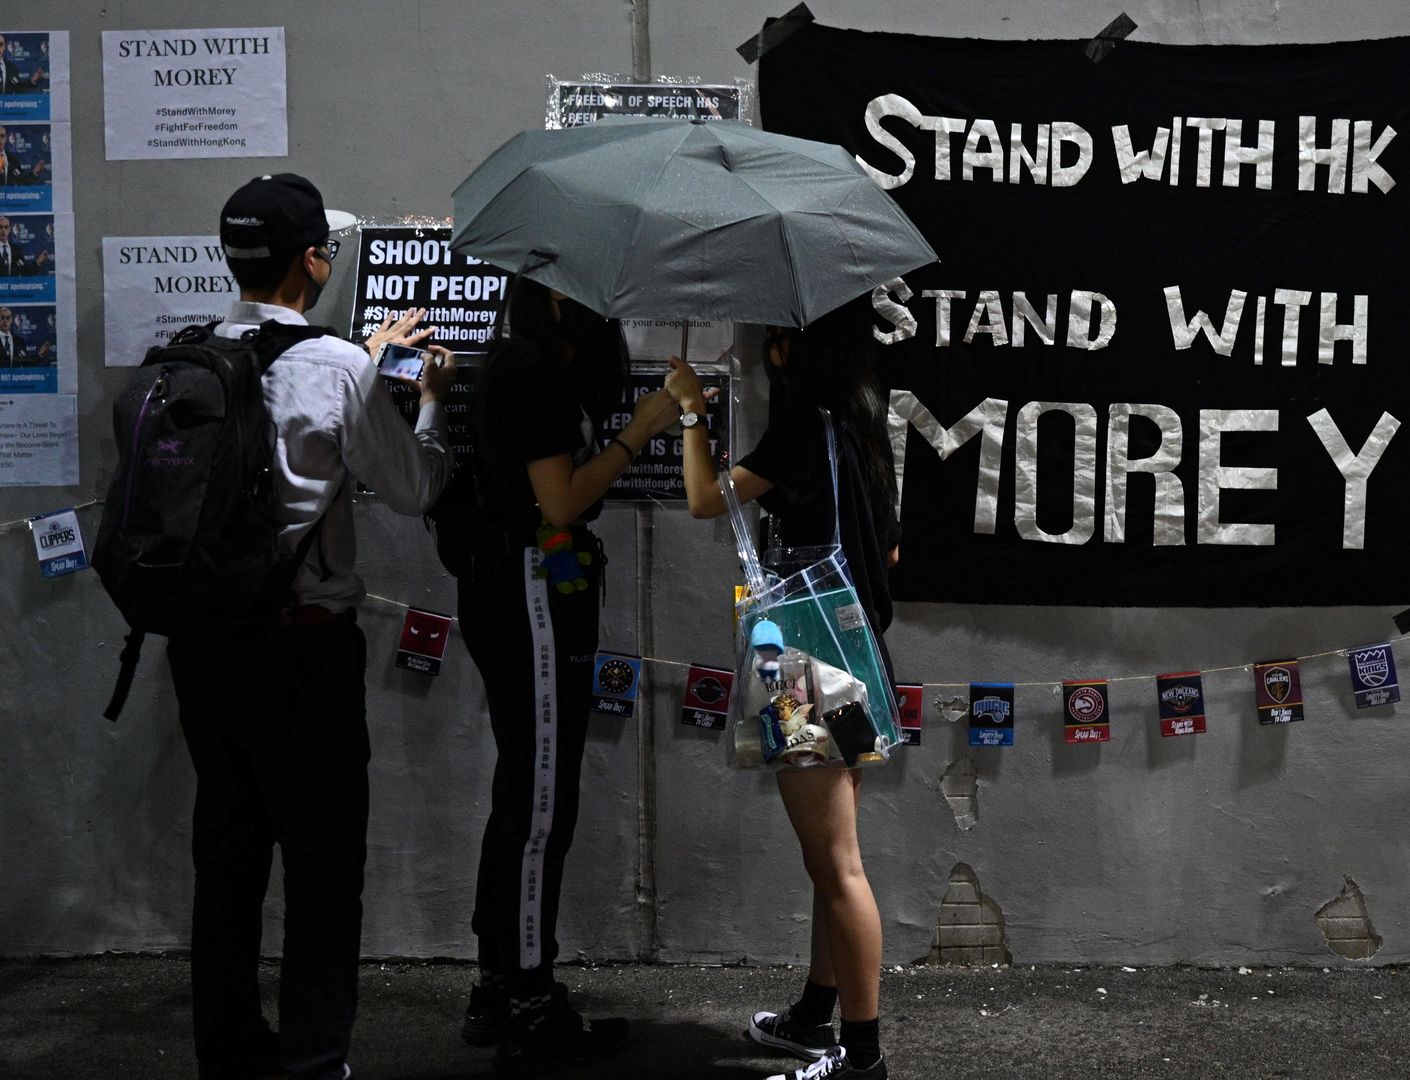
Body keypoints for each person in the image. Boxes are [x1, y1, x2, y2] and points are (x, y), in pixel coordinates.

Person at [166, 173, 454, 1080]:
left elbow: (283, 398)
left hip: (204, 647)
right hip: (304, 651)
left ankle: (231, 1052)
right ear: (315, 260)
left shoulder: (188, 353)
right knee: (324, 869)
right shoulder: (339, 369)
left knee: (228, 859)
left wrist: (358, 357)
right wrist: (429, 399)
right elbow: (416, 487)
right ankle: (315, 1061)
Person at [456, 275, 706, 1076]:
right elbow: (558, 503)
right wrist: (642, 429)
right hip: (528, 589)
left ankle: (501, 983)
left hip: (534, 588)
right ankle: (529, 1004)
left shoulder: (541, 364)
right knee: (539, 806)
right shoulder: (527, 367)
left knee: (524, 791)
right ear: (556, 296)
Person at [679, 305, 902, 1080]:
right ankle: (815, 1013)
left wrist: (688, 414)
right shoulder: (862, 429)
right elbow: (890, 549)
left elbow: (706, 498)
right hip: (857, 651)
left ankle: (862, 1054)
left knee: (837, 863)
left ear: (785, 348)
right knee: (829, 856)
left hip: (805, 656)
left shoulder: (805, 426)